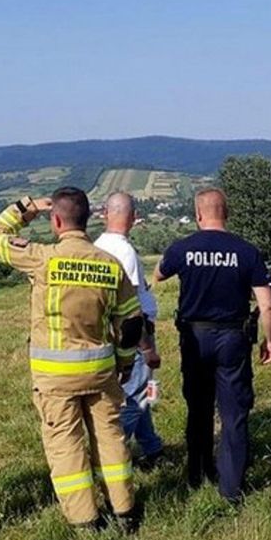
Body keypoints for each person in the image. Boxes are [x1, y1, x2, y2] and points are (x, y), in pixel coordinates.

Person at [0, 188, 143, 529]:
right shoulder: (110, 264)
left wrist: (26, 208)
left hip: (55, 378)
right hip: (101, 371)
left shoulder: (43, 258)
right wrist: (126, 363)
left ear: (56, 220)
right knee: (110, 440)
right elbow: (131, 323)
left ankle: (86, 519)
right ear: (87, 220)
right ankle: (125, 511)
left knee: (66, 446)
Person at [153, 187, 271, 502]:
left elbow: (158, 275)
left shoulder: (183, 248)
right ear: (227, 213)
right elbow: (268, 303)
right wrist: (269, 338)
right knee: (234, 412)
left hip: (194, 337)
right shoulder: (246, 251)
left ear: (197, 215)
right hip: (233, 337)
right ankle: (231, 488)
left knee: (199, 407)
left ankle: (197, 473)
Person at [95, 192, 165, 468]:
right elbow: (131, 306)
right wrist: (147, 347)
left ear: (105, 215)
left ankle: (152, 447)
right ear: (134, 218)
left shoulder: (98, 246)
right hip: (135, 336)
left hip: (114, 334)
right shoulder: (124, 251)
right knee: (136, 396)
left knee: (142, 391)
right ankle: (114, 458)